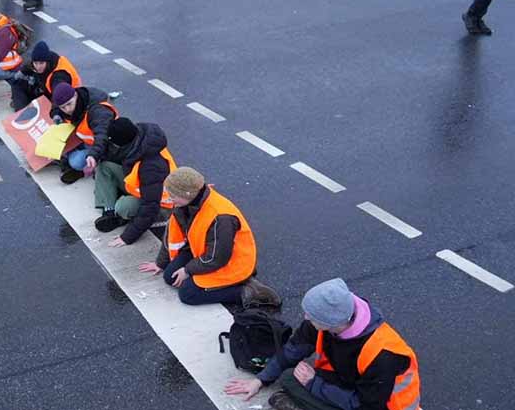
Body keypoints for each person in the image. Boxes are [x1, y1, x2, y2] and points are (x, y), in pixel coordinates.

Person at [225, 278, 421, 410]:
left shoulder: (384, 355)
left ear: (332, 324)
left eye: (311, 316)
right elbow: (293, 350)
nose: (306, 317)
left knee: (294, 387)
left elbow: (365, 405)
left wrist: (313, 384)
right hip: (350, 382)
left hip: (378, 405)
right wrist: (260, 380)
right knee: (288, 376)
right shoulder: (326, 320)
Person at [139, 167, 279, 307]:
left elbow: (218, 257)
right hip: (203, 251)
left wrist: (187, 270)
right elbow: (172, 235)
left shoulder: (221, 217)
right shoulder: (184, 204)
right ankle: (217, 282)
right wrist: (160, 263)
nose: (169, 199)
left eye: (172, 196)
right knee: (170, 276)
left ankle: (248, 291)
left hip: (230, 260)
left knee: (188, 294)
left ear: (187, 194)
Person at [94, 117, 176, 248]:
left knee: (123, 206)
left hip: (162, 204)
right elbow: (113, 157)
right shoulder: (138, 139)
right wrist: (94, 155)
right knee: (105, 167)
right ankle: (109, 212)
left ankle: (120, 217)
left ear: (121, 144)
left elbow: (151, 206)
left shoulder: (151, 166)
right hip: (142, 188)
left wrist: (127, 237)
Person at [50, 82, 117, 184]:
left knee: (76, 162)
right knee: (58, 148)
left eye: (69, 104)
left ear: (75, 95)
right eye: (63, 107)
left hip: (104, 145)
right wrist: (55, 114)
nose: (67, 110)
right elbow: (55, 105)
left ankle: (84, 170)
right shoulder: (72, 100)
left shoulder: (97, 111)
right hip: (84, 139)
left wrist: (93, 154)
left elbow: (103, 135)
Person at [9, 41, 81, 110]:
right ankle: (21, 109)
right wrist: (21, 72)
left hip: (67, 99)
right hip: (46, 89)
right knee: (18, 83)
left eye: (41, 63)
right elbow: (30, 65)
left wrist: (55, 113)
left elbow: (59, 98)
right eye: (36, 63)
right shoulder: (45, 58)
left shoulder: (58, 76)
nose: (38, 67)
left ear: (47, 61)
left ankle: (23, 112)